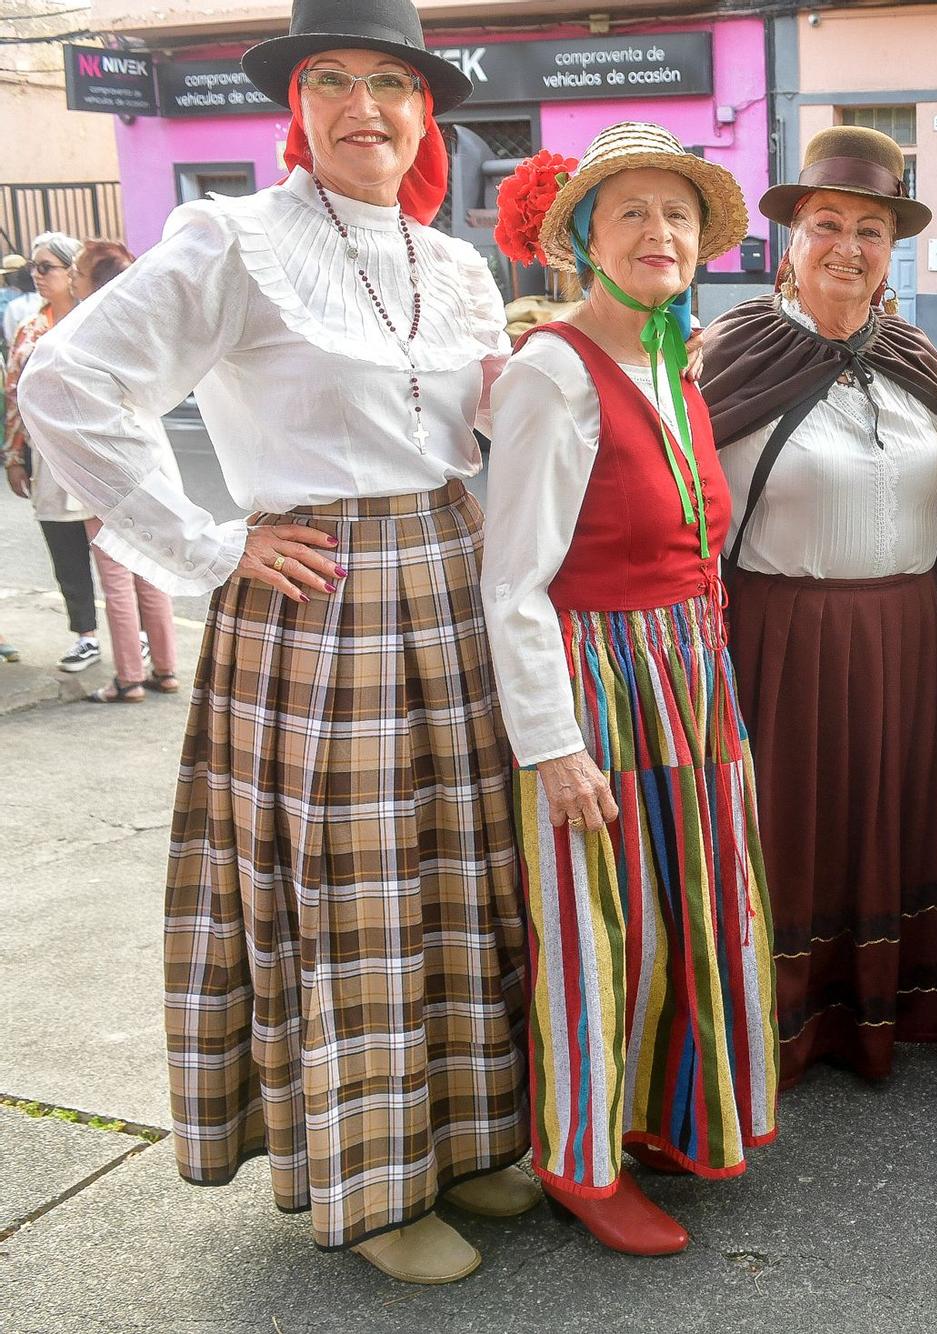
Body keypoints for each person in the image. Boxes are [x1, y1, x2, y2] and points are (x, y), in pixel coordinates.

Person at [18, 0, 538, 1282]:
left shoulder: (456, 261)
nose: (366, 106)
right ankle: (369, 1183)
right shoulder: (232, 239)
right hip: (323, 596)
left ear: (425, 111)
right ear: (296, 108)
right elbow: (66, 385)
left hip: (454, 579)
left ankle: (467, 1134)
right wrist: (209, 544)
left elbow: (485, 429)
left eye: (391, 84)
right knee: (351, 895)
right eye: (333, 81)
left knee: (464, 872)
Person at [482, 122, 776, 1255]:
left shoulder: (672, 357)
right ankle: (577, 1158)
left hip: (687, 670)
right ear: (583, 242)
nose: (661, 232)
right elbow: (513, 580)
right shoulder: (555, 369)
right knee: (594, 922)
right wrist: (553, 743)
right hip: (597, 675)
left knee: (683, 905)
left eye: (679, 215)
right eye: (632, 214)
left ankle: (655, 1112)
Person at [698, 126, 937, 1090]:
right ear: (789, 240)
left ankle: (883, 1008)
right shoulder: (733, 352)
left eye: (871, 230)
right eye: (826, 224)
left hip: (906, 635)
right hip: (788, 635)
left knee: (887, 818)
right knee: (794, 829)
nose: (848, 247)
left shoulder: (914, 353)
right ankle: (788, 1026)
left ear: (892, 251)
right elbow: (687, 509)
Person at [56, 241, 182, 704]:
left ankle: (128, 677)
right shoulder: (140, 324)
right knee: (150, 572)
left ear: (96, 279)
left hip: (108, 468)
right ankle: (165, 668)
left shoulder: (84, 330)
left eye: (78, 269)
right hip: (151, 462)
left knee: (116, 578)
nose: (72, 275)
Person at [5, 231, 101, 672]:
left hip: (96, 454)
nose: (37, 276)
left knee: (119, 553)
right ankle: (85, 634)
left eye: (47, 268)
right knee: (64, 550)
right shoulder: (30, 327)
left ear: (70, 271)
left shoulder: (97, 320)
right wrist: (14, 457)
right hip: (46, 457)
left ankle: (135, 634)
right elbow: (14, 397)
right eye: (34, 269)